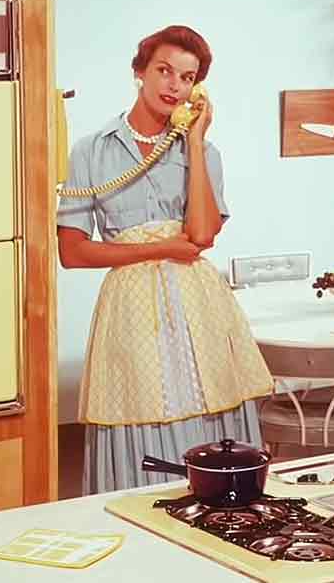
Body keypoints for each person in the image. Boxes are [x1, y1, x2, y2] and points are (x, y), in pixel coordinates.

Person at [57, 25, 274, 495]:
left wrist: (193, 141)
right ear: (139, 72)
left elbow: (202, 235)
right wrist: (160, 249)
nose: (174, 85)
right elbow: (71, 252)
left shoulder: (205, 152)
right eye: (164, 71)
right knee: (139, 402)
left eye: (187, 77)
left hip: (197, 303)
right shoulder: (91, 151)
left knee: (208, 397)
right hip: (131, 305)